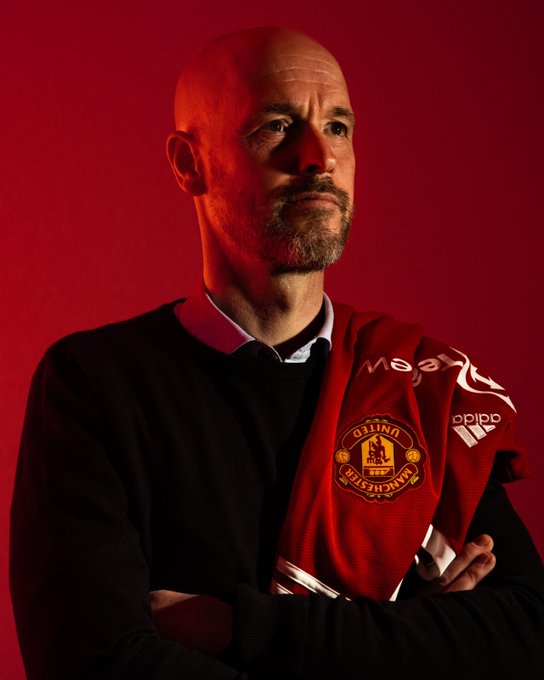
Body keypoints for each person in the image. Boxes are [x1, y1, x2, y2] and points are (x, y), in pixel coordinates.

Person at [10, 26, 544, 680]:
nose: (319, 156)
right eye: (275, 126)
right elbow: (91, 663)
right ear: (189, 164)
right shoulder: (94, 385)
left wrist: (233, 624)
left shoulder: (419, 386)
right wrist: (408, 644)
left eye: (340, 127)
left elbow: (528, 636)